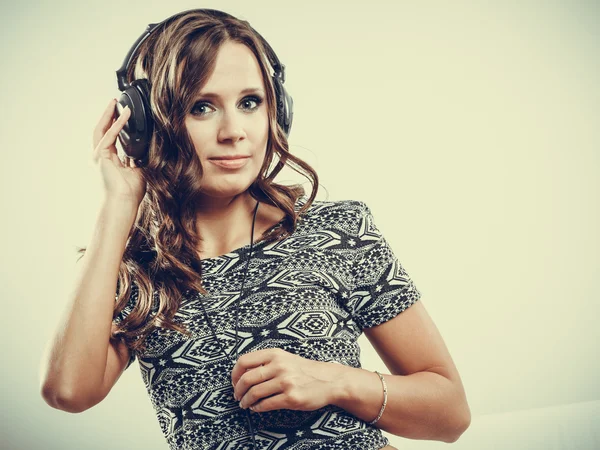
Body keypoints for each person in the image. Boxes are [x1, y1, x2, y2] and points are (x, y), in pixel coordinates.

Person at [39, 8, 471, 450]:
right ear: (147, 125)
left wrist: (336, 380)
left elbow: (450, 415)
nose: (234, 132)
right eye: (201, 107)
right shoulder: (137, 270)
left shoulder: (336, 230)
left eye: (250, 103)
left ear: (276, 110)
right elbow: (67, 392)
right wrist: (119, 202)